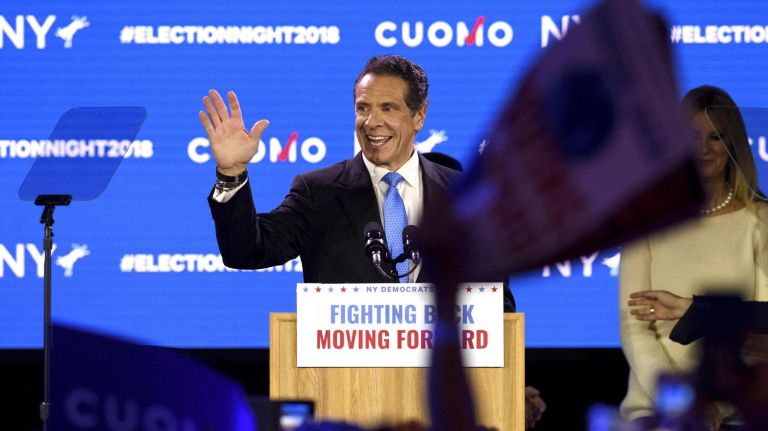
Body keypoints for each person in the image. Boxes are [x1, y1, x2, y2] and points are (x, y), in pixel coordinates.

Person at [619, 85, 768, 430]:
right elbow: (635, 328)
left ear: (732, 143)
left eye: (716, 137)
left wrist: (719, 406)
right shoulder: (646, 221)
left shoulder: (760, 221)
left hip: (738, 415)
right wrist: (684, 405)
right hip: (657, 413)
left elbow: (761, 326)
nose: (703, 149)